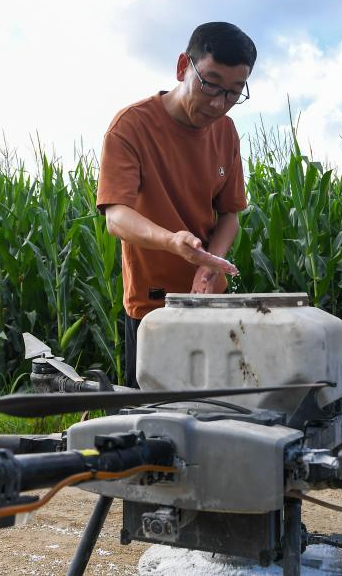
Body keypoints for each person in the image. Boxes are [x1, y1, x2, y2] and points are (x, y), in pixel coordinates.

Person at [97, 22, 256, 388]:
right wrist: (172, 241)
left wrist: (209, 266)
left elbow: (230, 213)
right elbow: (116, 216)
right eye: (210, 84)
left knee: (215, 412)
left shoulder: (226, 131)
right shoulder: (131, 127)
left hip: (209, 302)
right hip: (153, 306)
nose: (219, 103)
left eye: (233, 92)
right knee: (152, 417)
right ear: (183, 66)